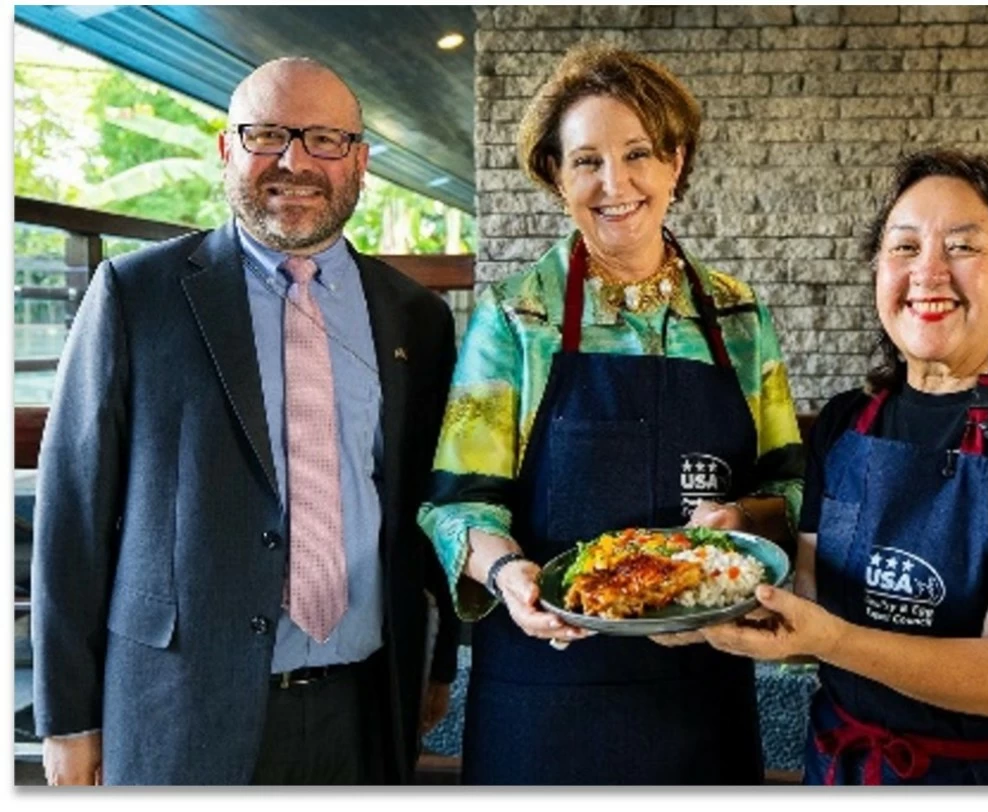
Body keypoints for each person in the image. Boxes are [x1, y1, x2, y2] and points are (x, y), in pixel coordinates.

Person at [32, 57, 459, 785]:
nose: (293, 161)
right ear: (227, 149)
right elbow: (72, 512)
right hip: (181, 709)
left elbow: (435, 508)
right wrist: (69, 717)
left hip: (364, 706)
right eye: (266, 135)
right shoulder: (138, 296)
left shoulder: (417, 317)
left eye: (325, 139)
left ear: (359, 160)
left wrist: (439, 662)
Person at [417, 44, 805, 785]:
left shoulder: (740, 317)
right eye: (586, 160)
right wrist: (507, 575)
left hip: (703, 689)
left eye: (638, 154)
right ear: (556, 176)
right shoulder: (514, 317)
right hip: (545, 689)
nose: (615, 183)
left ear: (676, 163)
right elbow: (458, 502)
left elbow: (791, 486)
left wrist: (745, 521)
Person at [698, 149, 988, 785]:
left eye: (962, 247)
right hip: (848, 769)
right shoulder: (847, 425)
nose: (928, 271)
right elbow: (814, 595)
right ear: (878, 273)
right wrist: (712, 585)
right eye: (904, 248)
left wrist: (832, 642)